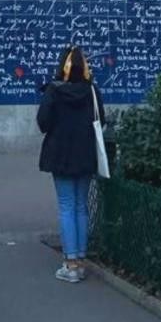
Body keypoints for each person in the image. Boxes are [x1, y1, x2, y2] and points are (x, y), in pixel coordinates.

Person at [37, 45, 106, 283]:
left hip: (60, 154)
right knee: (80, 206)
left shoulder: (54, 91)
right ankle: (81, 260)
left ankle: (70, 263)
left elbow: (43, 122)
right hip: (86, 154)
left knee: (66, 206)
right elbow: (101, 120)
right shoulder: (92, 91)